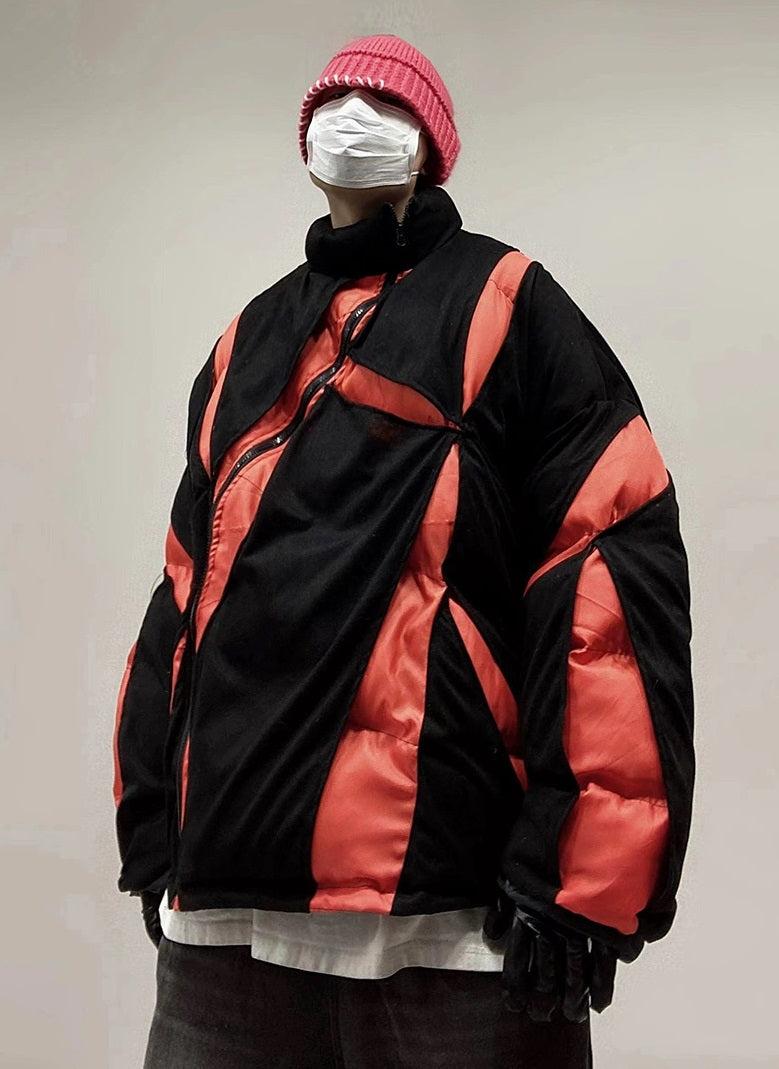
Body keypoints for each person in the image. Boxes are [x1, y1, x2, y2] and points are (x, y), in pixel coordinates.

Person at [112, 33, 695, 1069]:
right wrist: (153, 819)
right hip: (227, 923)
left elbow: (607, 563)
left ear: (432, 147)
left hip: (452, 931)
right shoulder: (247, 340)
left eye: (385, 103)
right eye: (333, 100)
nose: (354, 117)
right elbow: (184, 593)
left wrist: (585, 868)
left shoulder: (509, 305)